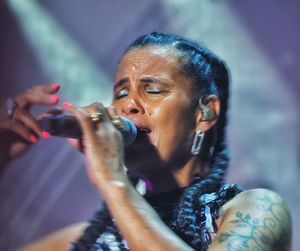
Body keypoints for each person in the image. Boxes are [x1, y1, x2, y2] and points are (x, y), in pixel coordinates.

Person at [0, 32, 291, 251]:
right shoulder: (84, 238)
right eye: (121, 93)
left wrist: (113, 181)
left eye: (151, 90)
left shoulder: (256, 209)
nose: (129, 106)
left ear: (205, 112)